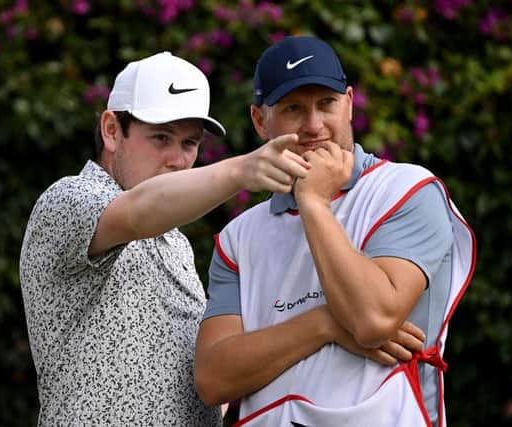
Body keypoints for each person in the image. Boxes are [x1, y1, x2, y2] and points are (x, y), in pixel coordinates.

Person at [19, 51, 313, 426]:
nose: (178, 159)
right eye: (161, 137)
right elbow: (138, 212)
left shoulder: (176, 243)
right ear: (111, 130)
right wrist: (243, 168)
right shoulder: (68, 200)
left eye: (189, 143)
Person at [194, 36, 477, 427]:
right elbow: (213, 379)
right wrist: (323, 324)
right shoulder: (237, 238)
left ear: (348, 103)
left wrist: (312, 202)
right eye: (293, 109)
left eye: (326, 104)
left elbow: (373, 318)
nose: (313, 125)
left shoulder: (408, 190)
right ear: (260, 121)